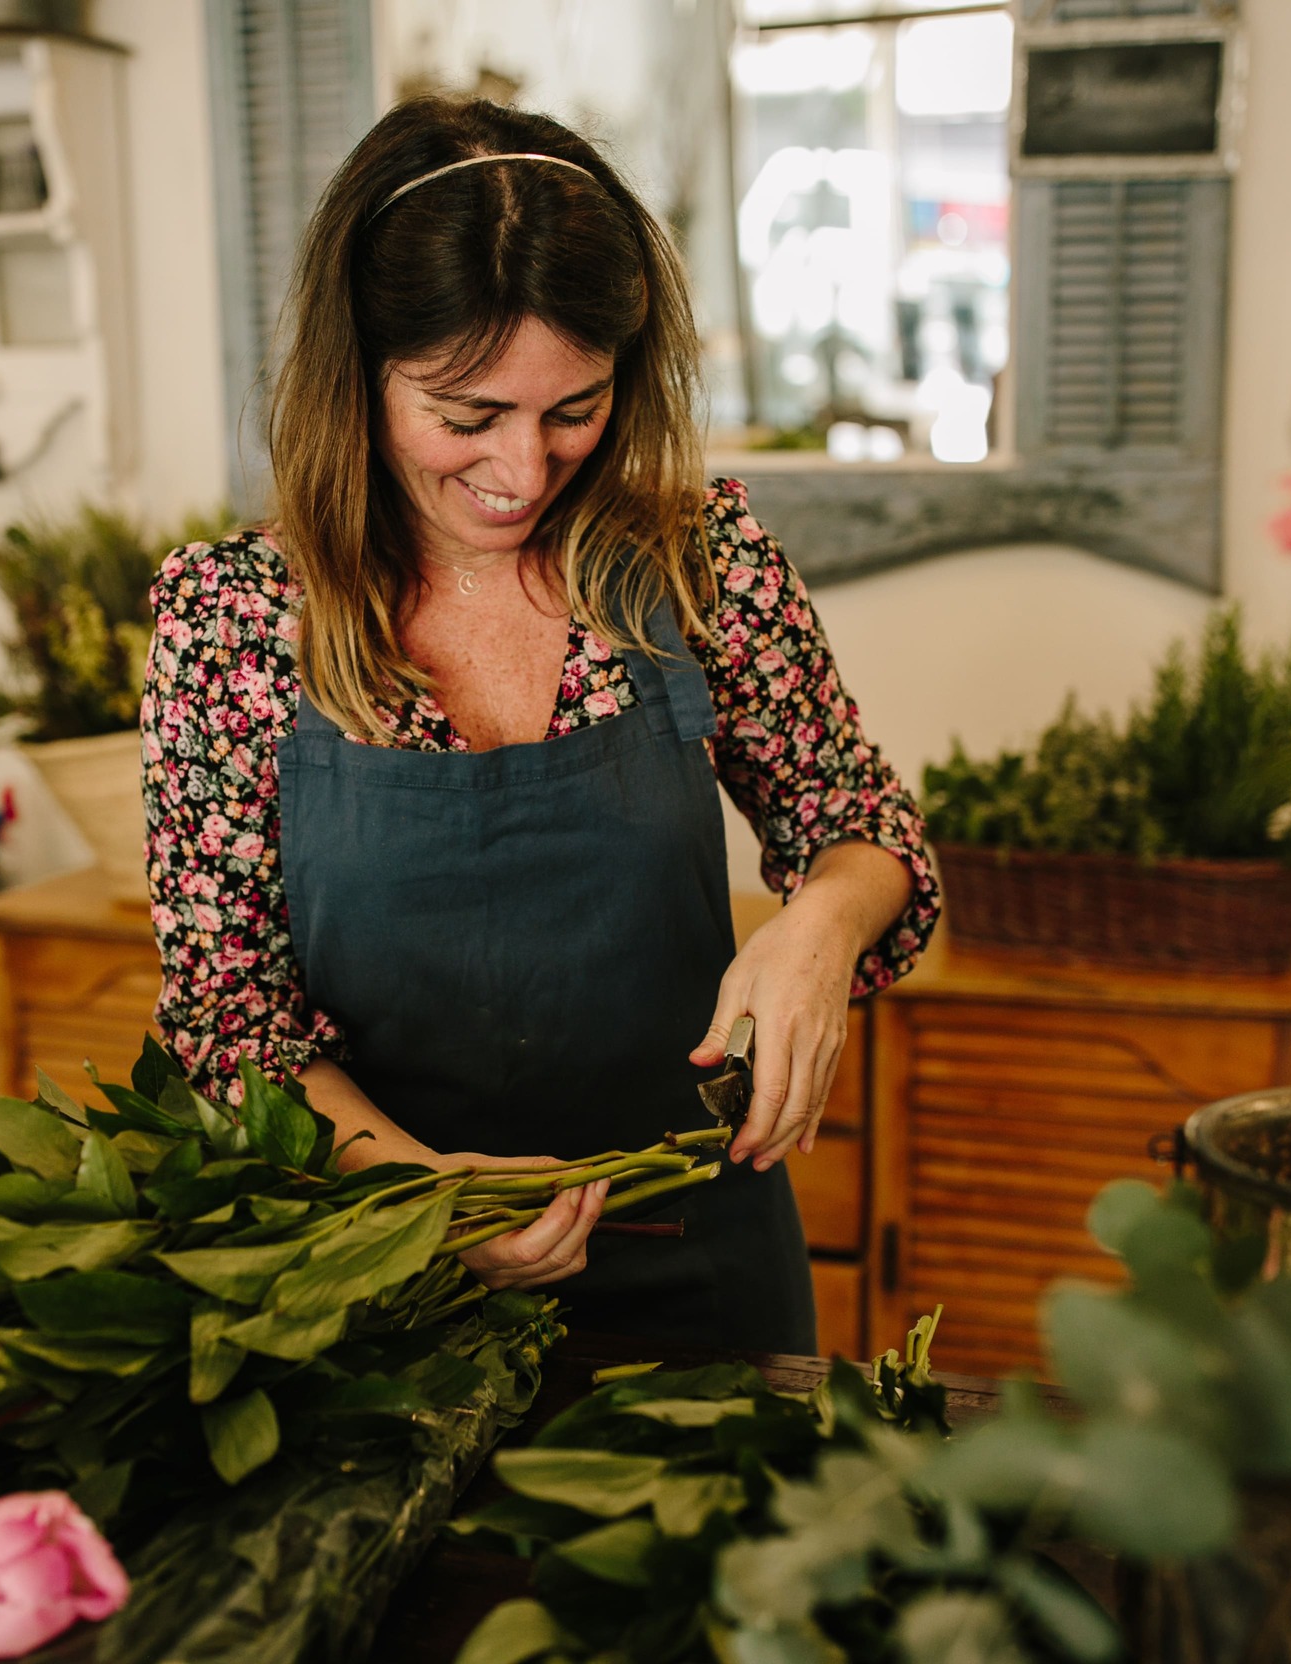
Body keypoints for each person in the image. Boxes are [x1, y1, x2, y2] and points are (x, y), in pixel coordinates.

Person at [140, 96, 939, 1354]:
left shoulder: (693, 563)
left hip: (699, 1265)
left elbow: (861, 826)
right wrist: (428, 1198)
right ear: (358, 374)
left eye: (574, 408)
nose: (522, 468)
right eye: (466, 417)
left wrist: (822, 926)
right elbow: (227, 1024)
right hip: (379, 1284)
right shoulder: (236, 622)